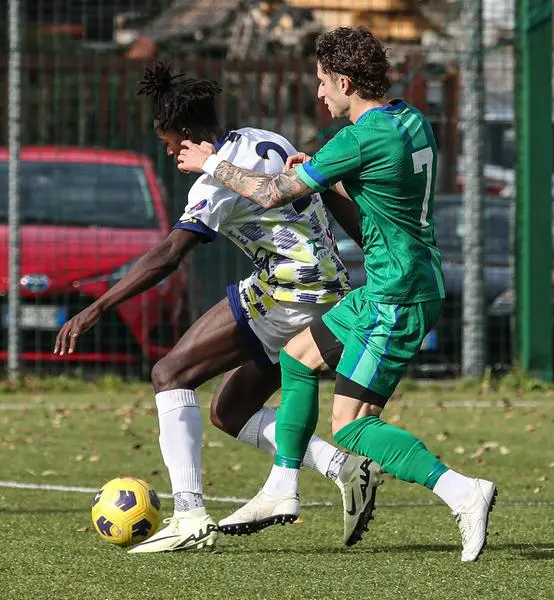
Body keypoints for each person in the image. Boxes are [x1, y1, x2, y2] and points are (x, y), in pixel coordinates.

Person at [177, 27, 497, 562]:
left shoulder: (357, 138)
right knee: (299, 359)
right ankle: (282, 487)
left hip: (399, 296)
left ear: (346, 81)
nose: (320, 94)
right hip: (395, 284)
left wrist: (211, 162)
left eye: (324, 83)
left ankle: (462, 491)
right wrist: (325, 174)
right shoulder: (408, 118)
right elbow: (379, 182)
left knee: (351, 428)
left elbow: (269, 191)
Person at [53, 61, 383, 553]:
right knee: (231, 411)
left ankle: (189, 514)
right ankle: (343, 467)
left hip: (289, 292)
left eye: (168, 143)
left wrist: (96, 307)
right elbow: (324, 191)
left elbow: (169, 255)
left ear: (186, 135)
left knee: (170, 374)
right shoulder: (264, 138)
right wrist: (371, 247)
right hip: (326, 289)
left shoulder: (213, 183)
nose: (167, 152)